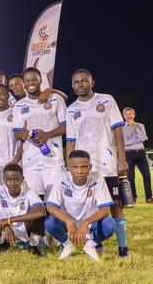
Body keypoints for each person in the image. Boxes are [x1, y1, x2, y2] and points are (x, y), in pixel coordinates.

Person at [66, 69, 131, 258]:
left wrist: (121, 159)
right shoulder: (72, 109)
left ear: (92, 82)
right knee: (91, 206)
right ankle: (97, 243)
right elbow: (70, 140)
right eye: (77, 82)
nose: (81, 84)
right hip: (82, 167)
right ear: (72, 86)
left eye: (84, 81)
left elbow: (118, 131)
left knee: (115, 205)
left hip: (106, 164)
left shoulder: (107, 100)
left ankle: (123, 249)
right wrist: (69, 165)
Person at [45, 150, 116, 261]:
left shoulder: (97, 178)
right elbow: (50, 206)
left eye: (84, 167)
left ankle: (90, 246)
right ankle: (68, 245)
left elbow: (106, 209)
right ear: (69, 167)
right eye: (75, 167)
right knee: (49, 222)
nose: (80, 171)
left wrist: (86, 222)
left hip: (90, 223)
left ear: (90, 167)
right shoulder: (62, 178)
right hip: (68, 223)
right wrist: (69, 221)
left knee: (110, 224)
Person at [12, 67, 66, 199]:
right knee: (35, 202)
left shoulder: (55, 99)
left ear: (41, 80)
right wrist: (21, 135)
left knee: (56, 200)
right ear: (23, 83)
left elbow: (66, 126)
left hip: (53, 160)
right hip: (30, 163)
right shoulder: (19, 105)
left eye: (34, 79)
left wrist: (48, 134)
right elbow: (16, 133)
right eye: (27, 80)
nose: (31, 83)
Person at [0, 164, 46, 256]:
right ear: (4, 179)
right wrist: (5, 225)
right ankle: (3, 244)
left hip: (25, 228)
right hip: (4, 230)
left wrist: (8, 220)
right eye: (8, 180)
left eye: (16, 179)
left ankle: (33, 246)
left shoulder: (29, 191)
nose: (12, 183)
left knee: (38, 216)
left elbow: (41, 211)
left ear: (22, 179)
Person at [122, 107, 151, 204]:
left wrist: (136, 128)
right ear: (124, 116)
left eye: (131, 113)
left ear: (134, 115)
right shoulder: (121, 127)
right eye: (126, 114)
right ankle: (133, 198)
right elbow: (126, 142)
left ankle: (149, 198)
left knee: (147, 175)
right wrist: (134, 138)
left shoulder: (140, 125)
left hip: (141, 152)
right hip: (128, 153)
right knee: (130, 177)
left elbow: (143, 139)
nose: (129, 115)